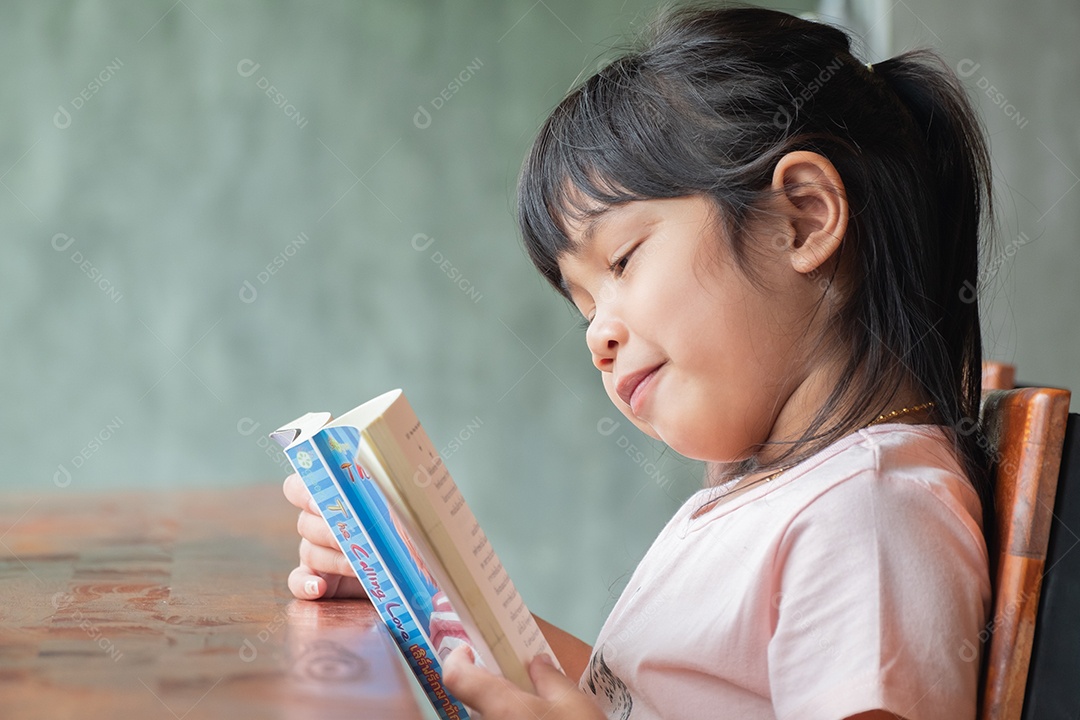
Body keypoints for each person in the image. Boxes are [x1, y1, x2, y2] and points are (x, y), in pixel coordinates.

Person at [282, 4, 999, 718]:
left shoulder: (868, 516)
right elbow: (628, 700)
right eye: (586, 308)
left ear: (801, 219)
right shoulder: (791, 492)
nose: (597, 336)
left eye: (622, 260)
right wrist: (429, 590)